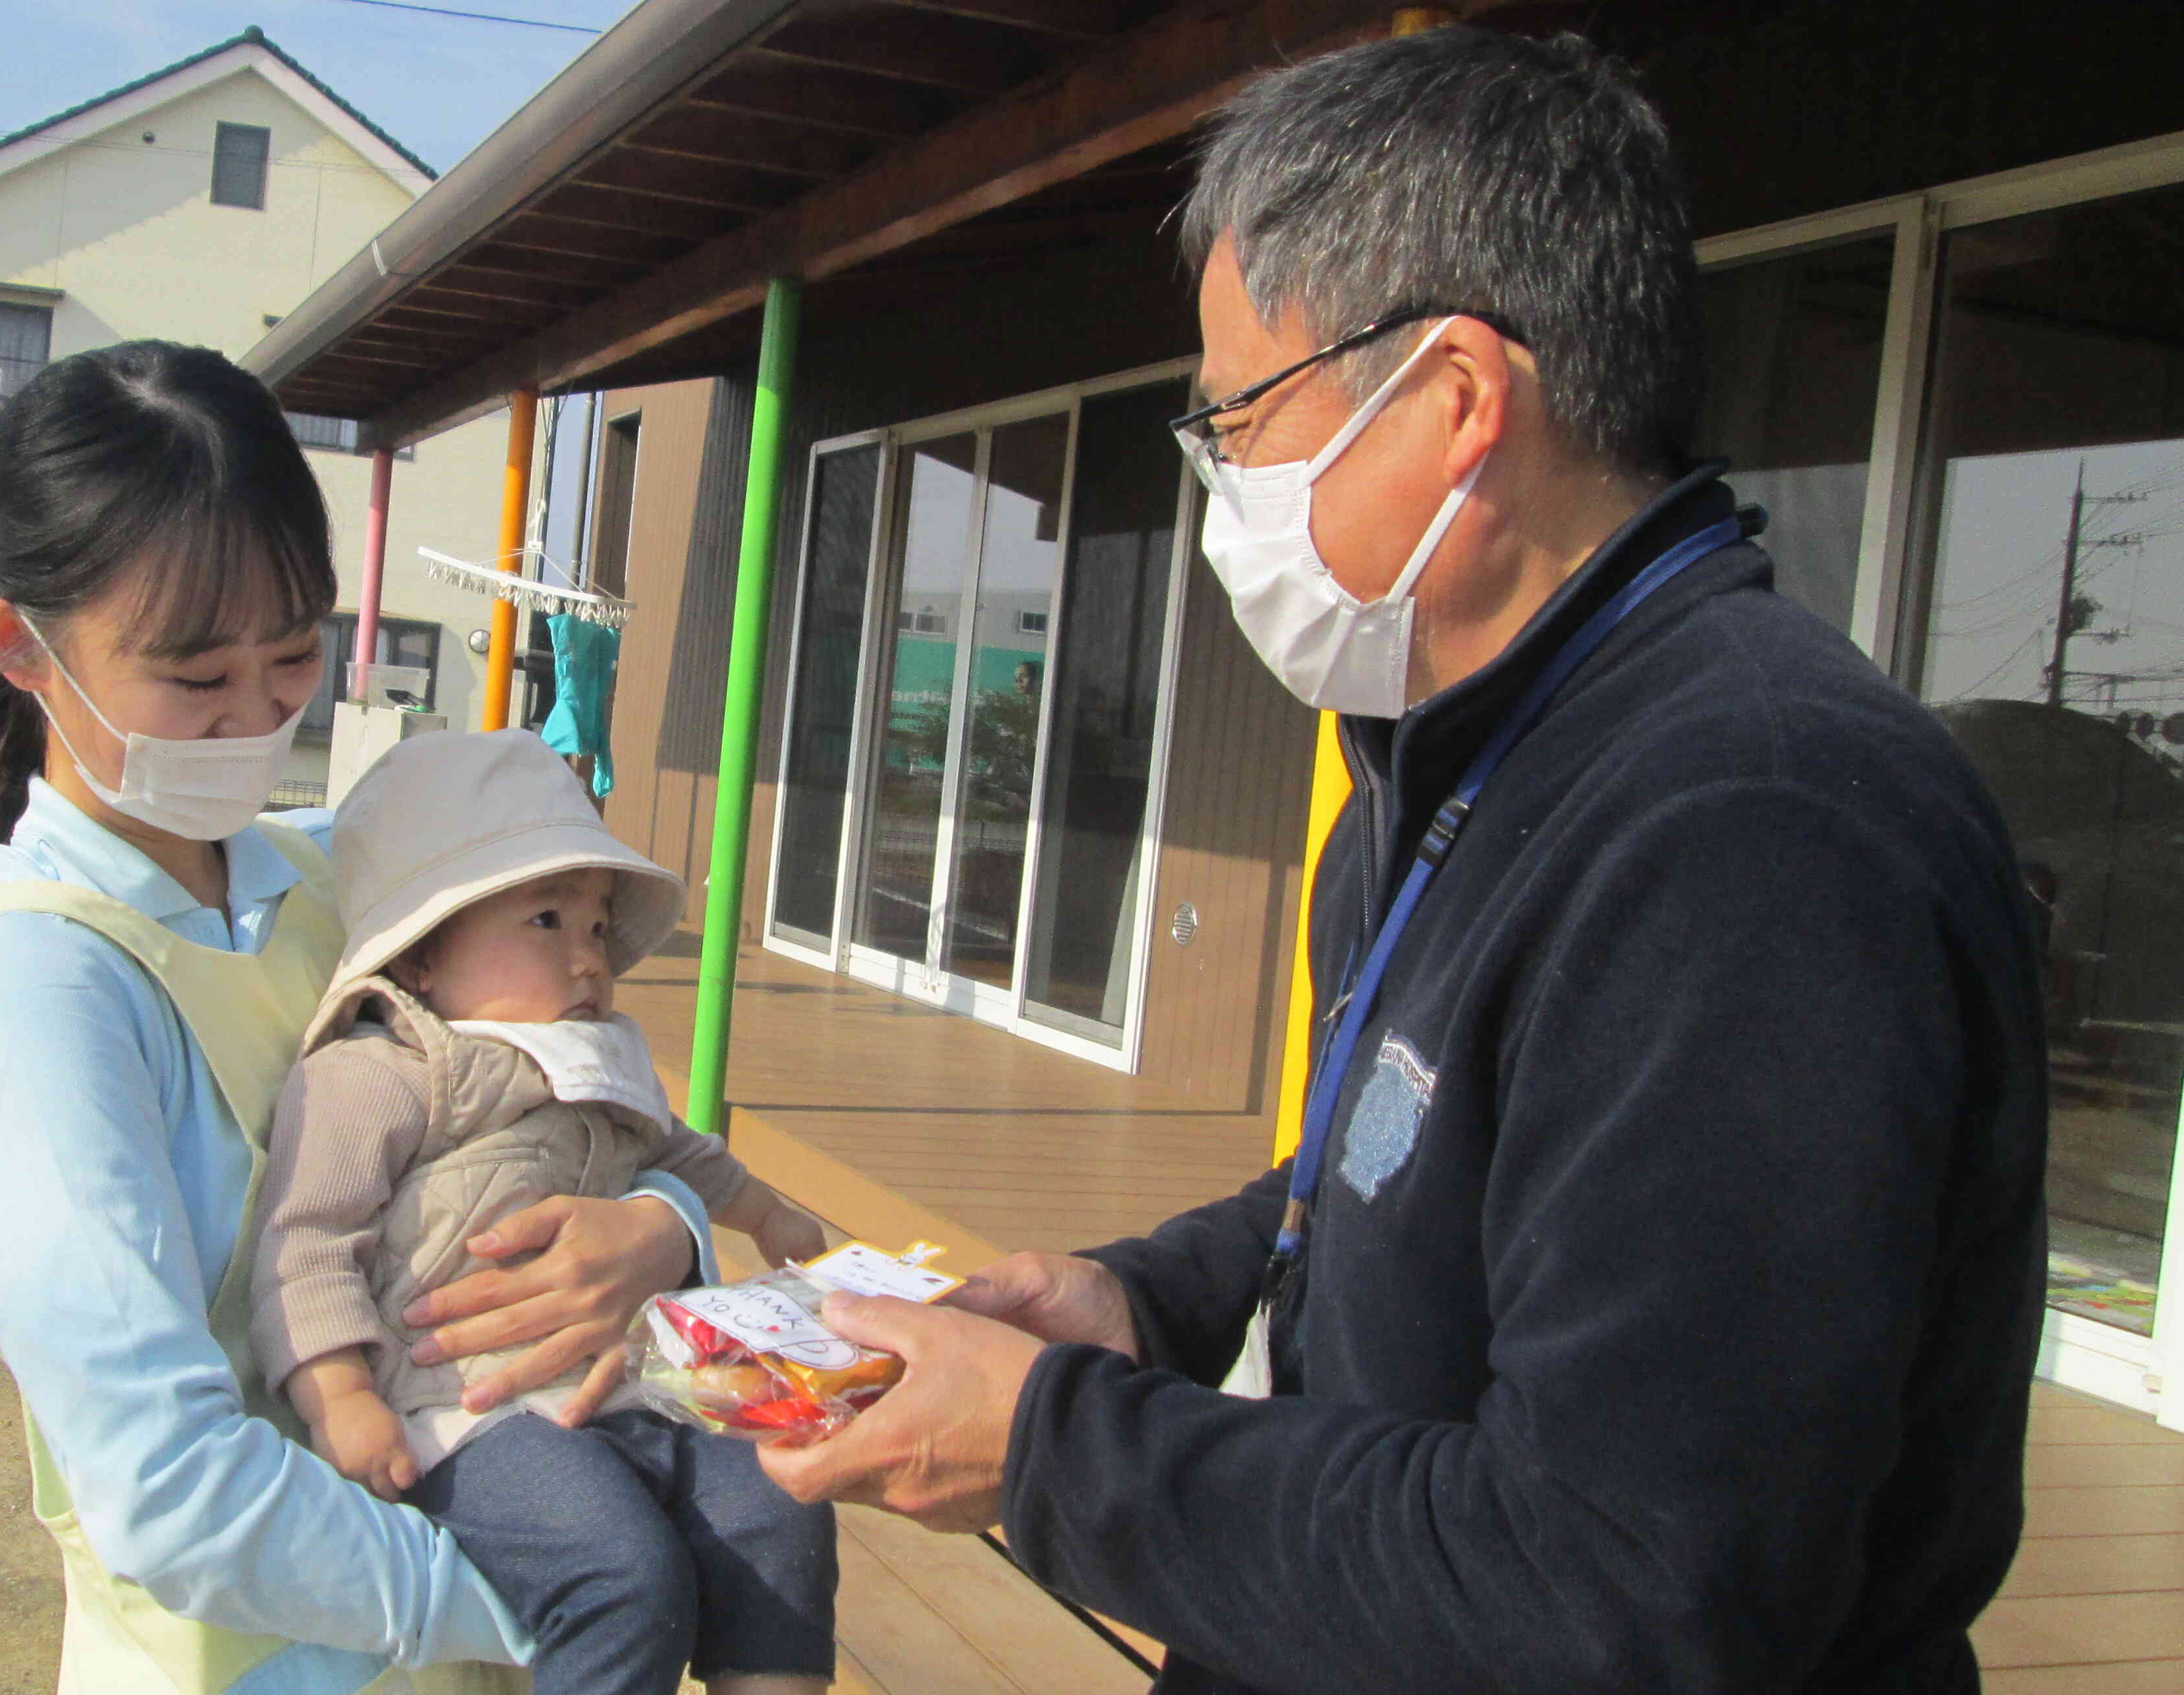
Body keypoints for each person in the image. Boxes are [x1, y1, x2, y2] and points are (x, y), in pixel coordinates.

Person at [760, 30, 2047, 1694]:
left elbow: (1629, 1587)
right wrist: (1147, 1306)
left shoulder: (1757, 828)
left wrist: (1054, 1448)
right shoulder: (1453, 748)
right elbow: (1398, 1161)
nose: (1221, 484)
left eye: (1242, 415)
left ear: (1450, 403)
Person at [0, 341, 718, 1694]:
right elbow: (170, 1486)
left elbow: (593, 1106)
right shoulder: (34, 1000)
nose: (259, 711)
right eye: (196, 679)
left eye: (292, 653)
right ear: (21, 648)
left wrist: (666, 1233)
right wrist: (578, 1601)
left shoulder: (352, 884)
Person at [252, 728, 836, 1695]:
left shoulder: (605, 1057)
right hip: (469, 1413)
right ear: (423, 957)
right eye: (545, 923)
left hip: (635, 1382)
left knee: (784, 1499)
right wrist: (341, 1397)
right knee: (621, 1570)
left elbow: (675, 1148)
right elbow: (305, 1244)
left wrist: (765, 1211)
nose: (586, 962)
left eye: (598, 928)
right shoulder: (380, 1076)